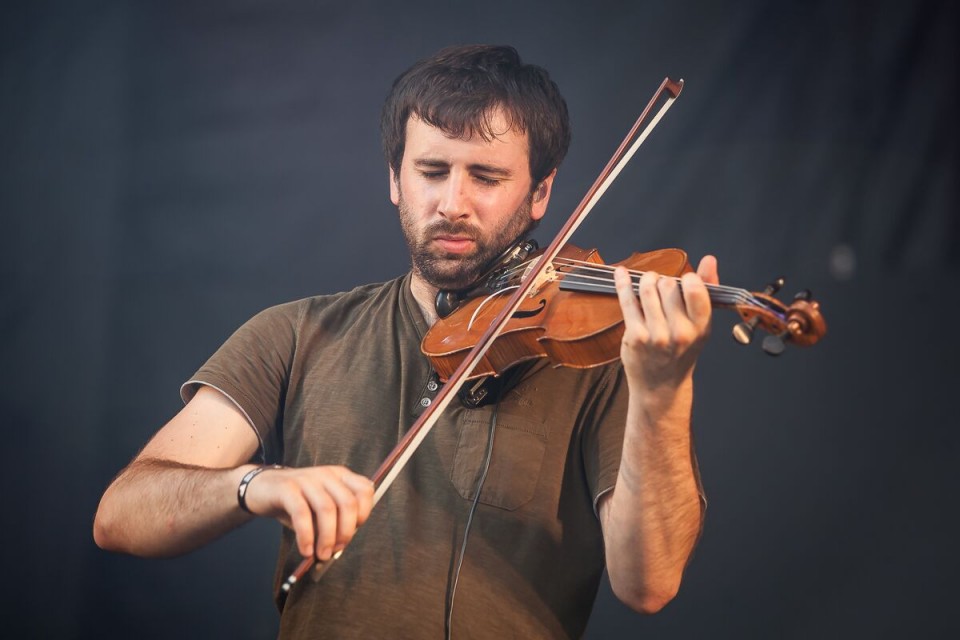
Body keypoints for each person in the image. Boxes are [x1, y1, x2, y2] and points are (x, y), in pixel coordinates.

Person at [94, 44, 718, 639]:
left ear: (541, 194)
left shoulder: (602, 360)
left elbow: (649, 584)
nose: (453, 203)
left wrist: (662, 391)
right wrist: (256, 485)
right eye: (432, 171)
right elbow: (123, 513)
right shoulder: (296, 334)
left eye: (487, 176)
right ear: (395, 179)